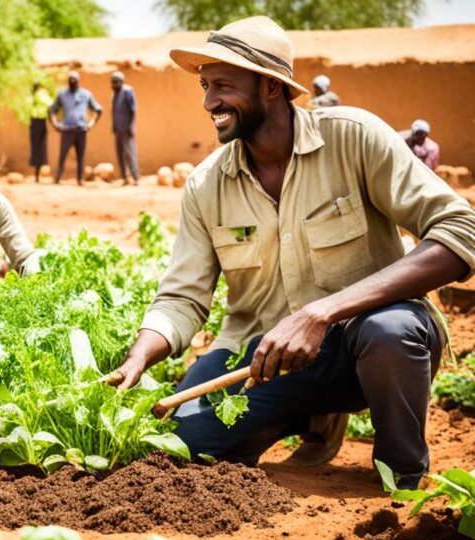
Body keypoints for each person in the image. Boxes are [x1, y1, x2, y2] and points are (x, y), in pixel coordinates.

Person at [108, 16, 475, 489]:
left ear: (271, 86)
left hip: (360, 349)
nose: (208, 101)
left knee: (390, 330)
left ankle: (402, 476)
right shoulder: (206, 184)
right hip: (261, 359)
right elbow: (183, 298)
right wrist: (140, 354)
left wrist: (322, 313)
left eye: (222, 85)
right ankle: (301, 415)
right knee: (180, 448)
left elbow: (461, 229)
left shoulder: (353, 138)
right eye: (204, 86)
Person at [50, 71, 102, 185]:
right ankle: (57, 178)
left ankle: (80, 179)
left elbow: (98, 110)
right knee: (62, 155)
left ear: (78, 80)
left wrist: (91, 124)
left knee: (81, 156)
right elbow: (52, 110)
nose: (72, 82)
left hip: (81, 130)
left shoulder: (86, 94)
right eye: (70, 80)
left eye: (74, 80)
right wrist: (55, 124)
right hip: (67, 129)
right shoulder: (62, 94)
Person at [110, 71, 140, 185]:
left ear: (121, 81)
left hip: (127, 129)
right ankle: (125, 177)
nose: (114, 84)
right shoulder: (115, 94)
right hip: (118, 129)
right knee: (120, 154)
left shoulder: (127, 91)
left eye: (116, 82)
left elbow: (133, 110)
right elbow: (114, 111)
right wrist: (113, 126)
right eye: (112, 82)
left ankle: (135, 177)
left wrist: (131, 127)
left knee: (130, 153)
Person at [28, 83, 53, 182]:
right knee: (39, 149)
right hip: (39, 123)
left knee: (36, 148)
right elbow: (51, 103)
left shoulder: (35, 95)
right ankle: (37, 175)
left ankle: (37, 175)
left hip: (35, 123)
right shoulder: (39, 94)